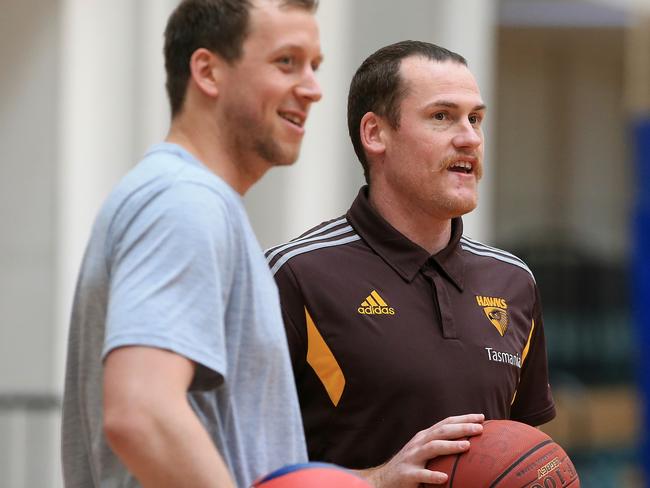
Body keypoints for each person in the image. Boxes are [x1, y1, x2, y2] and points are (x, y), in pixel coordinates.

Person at [266, 40, 556, 487]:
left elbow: (523, 457)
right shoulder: (295, 275)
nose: (470, 138)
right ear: (375, 134)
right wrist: (377, 481)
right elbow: (231, 467)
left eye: (475, 118)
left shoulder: (514, 281)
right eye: (442, 117)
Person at [61, 0, 324, 486]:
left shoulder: (188, 199)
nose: (313, 88)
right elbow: (141, 411)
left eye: (314, 65)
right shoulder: (184, 202)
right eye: (286, 61)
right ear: (207, 71)